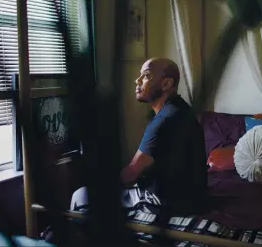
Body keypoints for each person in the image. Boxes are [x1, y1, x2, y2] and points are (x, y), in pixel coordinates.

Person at [70, 57, 207, 218]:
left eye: (146, 75)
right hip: (192, 199)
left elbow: (131, 173)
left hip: (169, 203)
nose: (137, 80)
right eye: (139, 75)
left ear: (166, 84)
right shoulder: (180, 109)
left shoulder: (164, 120)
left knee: (81, 196)